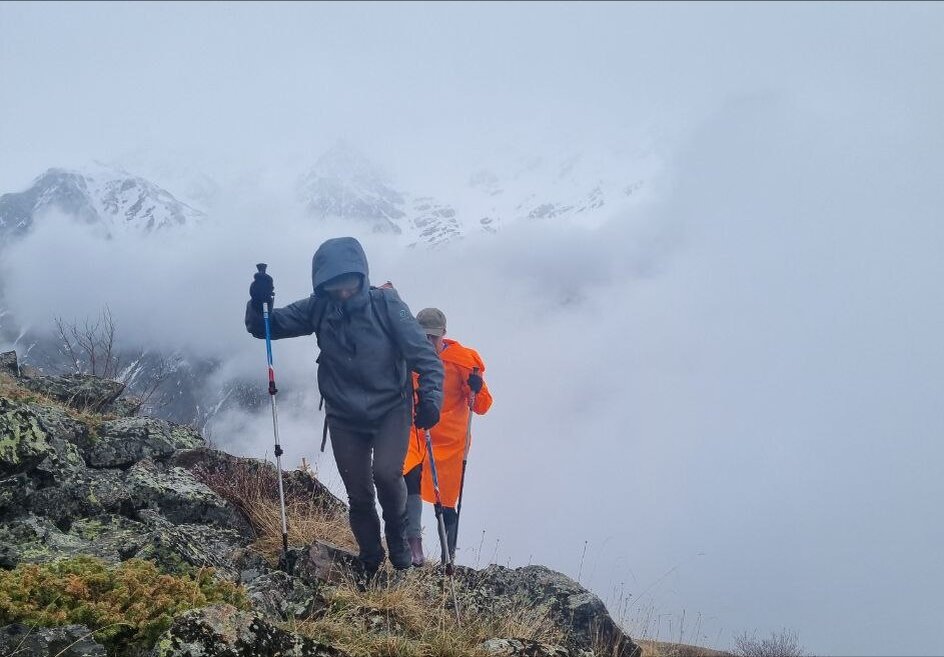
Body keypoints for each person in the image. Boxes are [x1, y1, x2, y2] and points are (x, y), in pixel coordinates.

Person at [245, 236, 444, 574]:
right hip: (343, 415)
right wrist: (259, 301)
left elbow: (424, 356)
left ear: (362, 277)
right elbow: (264, 327)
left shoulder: (387, 304)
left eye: (349, 283)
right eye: (334, 286)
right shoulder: (319, 307)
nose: (344, 292)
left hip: (390, 411)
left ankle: (397, 537)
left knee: (386, 473)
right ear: (322, 286)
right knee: (359, 493)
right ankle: (370, 557)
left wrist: (431, 398)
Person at [402, 307, 492, 566]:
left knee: (446, 501)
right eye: (424, 337)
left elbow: (481, 406)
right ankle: (414, 548)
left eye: (434, 337)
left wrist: (476, 388)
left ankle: (447, 559)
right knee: (409, 477)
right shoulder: (408, 356)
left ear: (444, 334)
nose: (429, 342)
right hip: (417, 431)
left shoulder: (464, 361)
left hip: (451, 440)